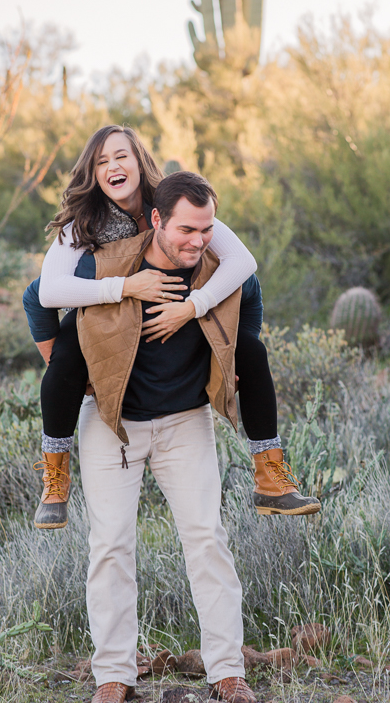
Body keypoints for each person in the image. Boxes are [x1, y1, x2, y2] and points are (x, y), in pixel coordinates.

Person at [21, 125, 319, 528]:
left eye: (121, 155)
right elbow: (42, 294)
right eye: (102, 161)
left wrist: (196, 308)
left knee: (251, 352)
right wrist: (123, 289)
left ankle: (270, 475)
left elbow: (245, 268)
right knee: (69, 352)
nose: (113, 166)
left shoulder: (174, 206)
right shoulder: (83, 226)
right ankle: (55, 475)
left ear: (139, 160)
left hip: (177, 340)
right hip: (110, 324)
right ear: (93, 173)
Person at [77, 171, 258, 703]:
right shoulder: (110, 265)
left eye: (206, 230)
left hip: (186, 423)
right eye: (185, 230)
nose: (196, 241)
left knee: (207, 537)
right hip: (113, 425)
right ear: (156, 219)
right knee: (110, 544)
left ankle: (227, 671)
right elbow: (44, 300)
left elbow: (252, 298)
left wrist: (212, 325)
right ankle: (112, 674)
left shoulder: (216, 270)